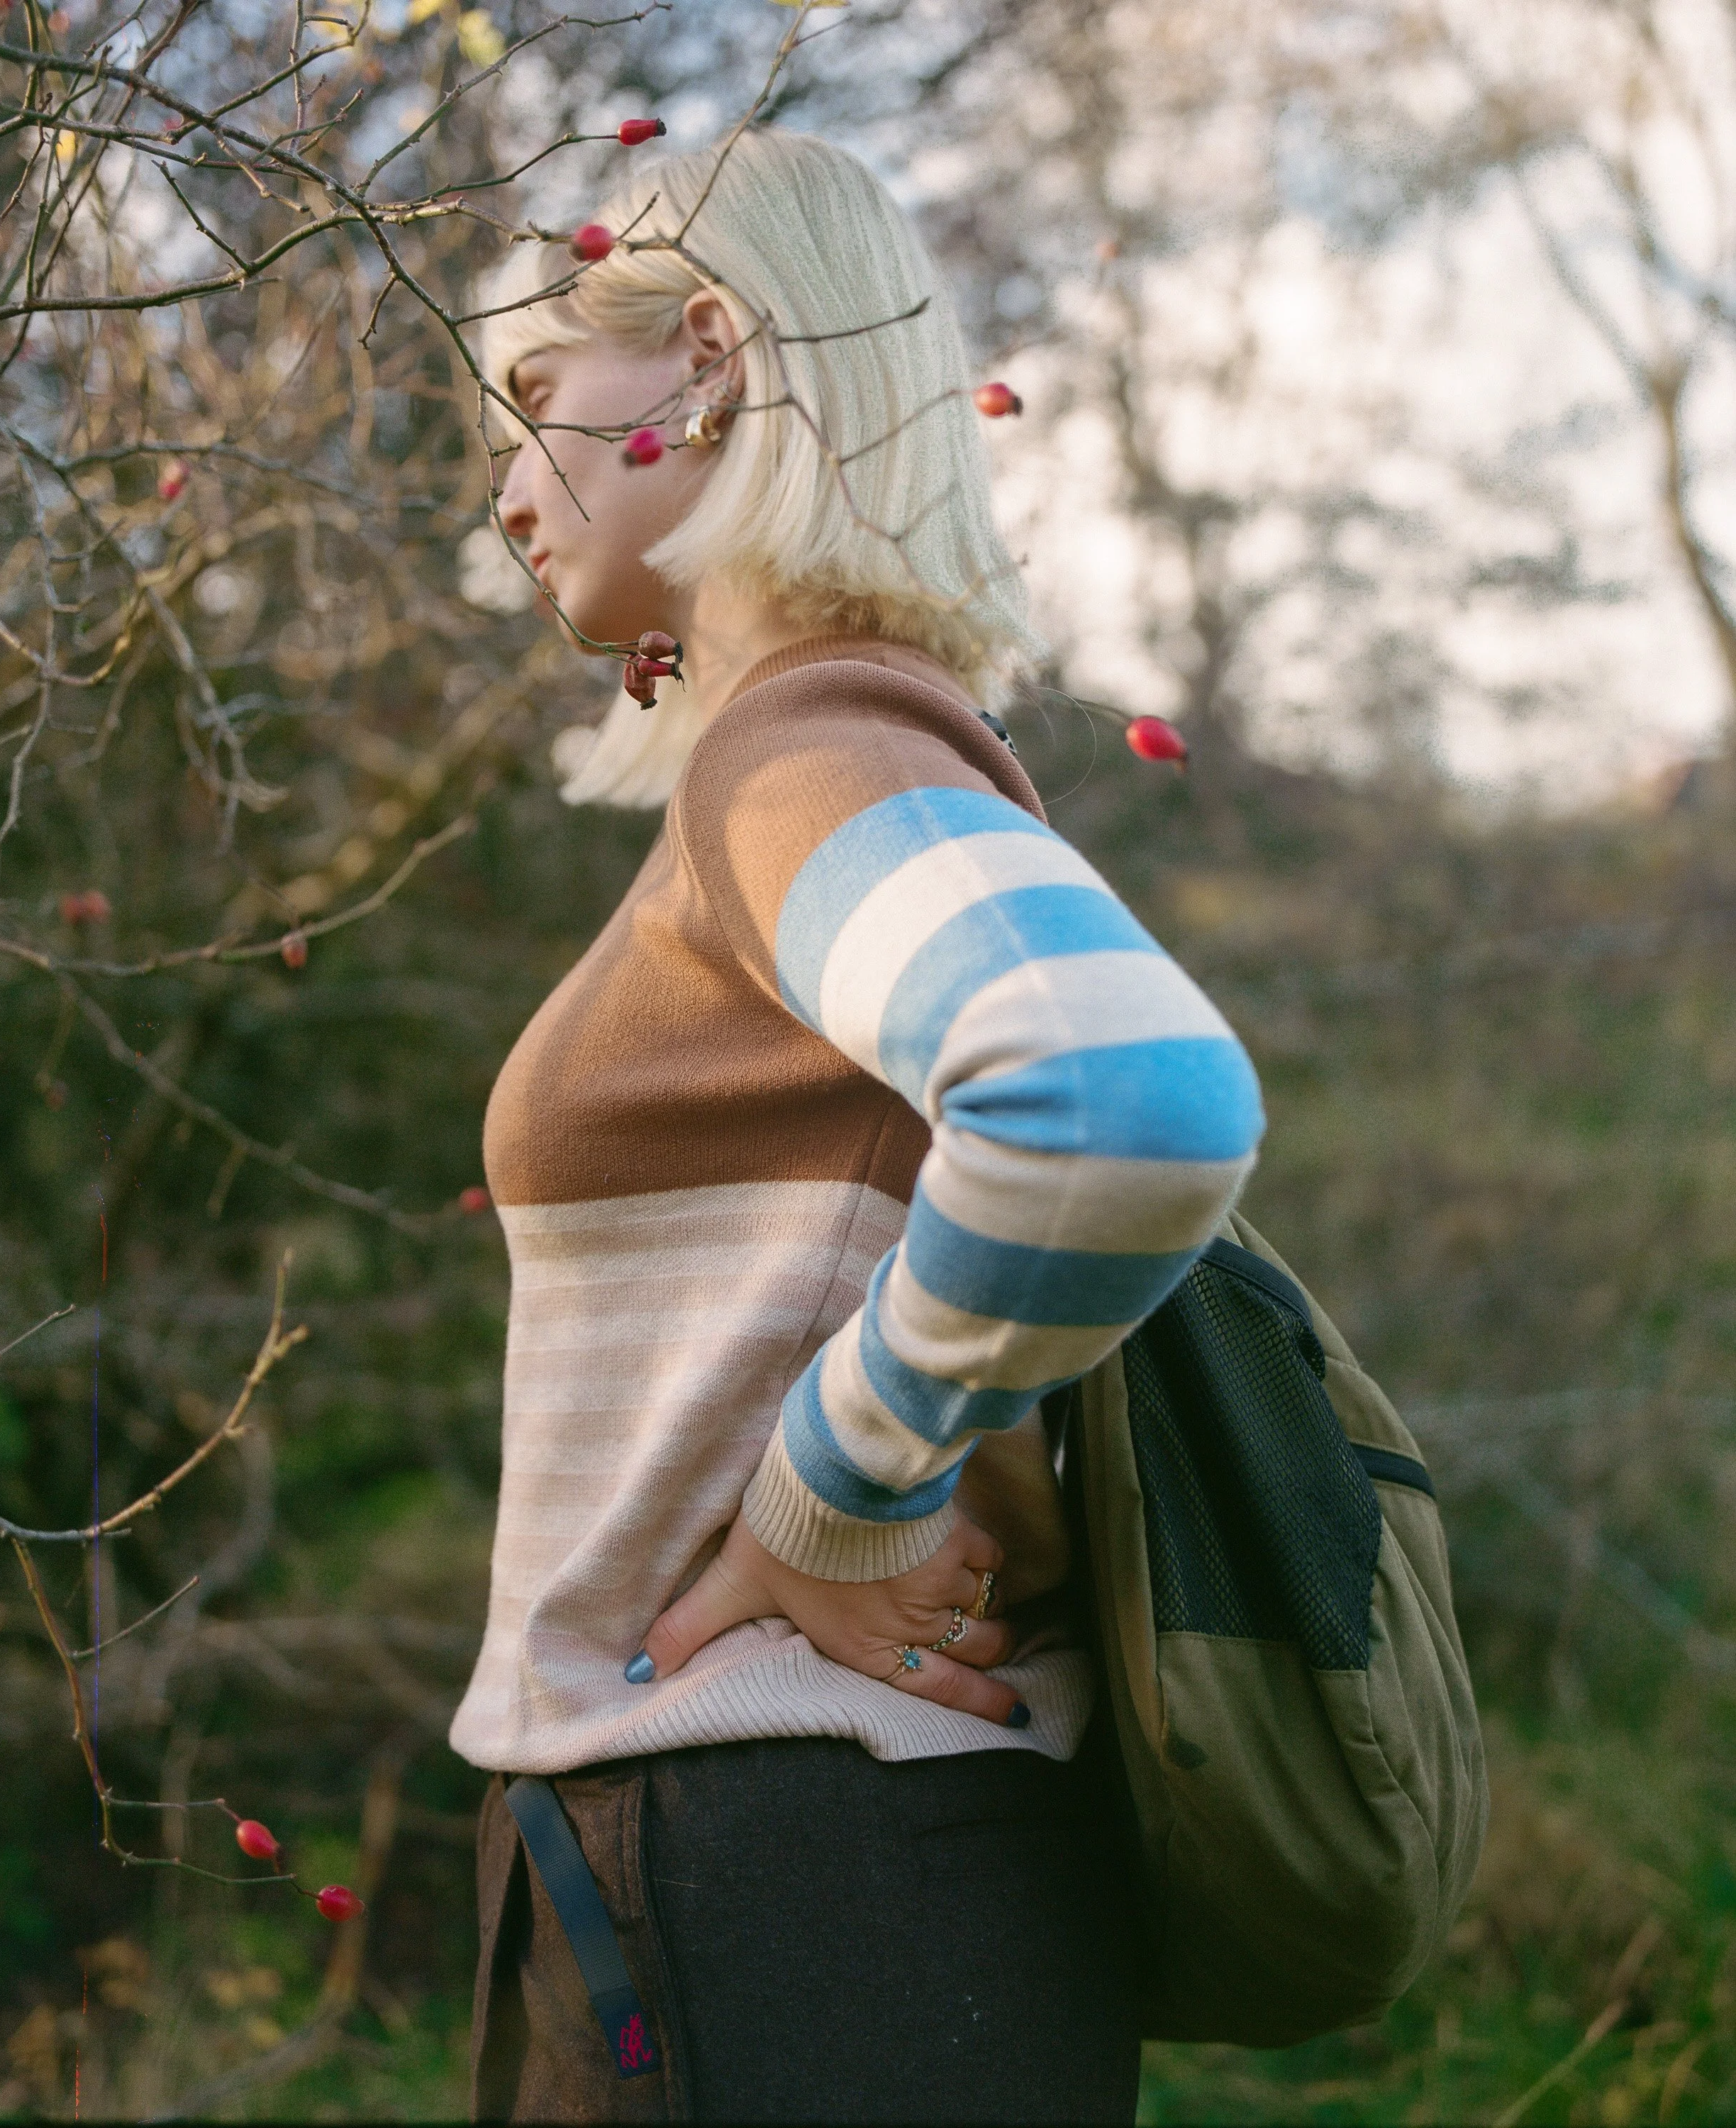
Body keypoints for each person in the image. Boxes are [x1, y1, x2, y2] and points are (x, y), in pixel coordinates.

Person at [452, 128, 1265, 2125]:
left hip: (771, 1860)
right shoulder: (829, 751)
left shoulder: (801, 747)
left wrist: (836, 1493)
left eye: (532, 406)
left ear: (709, 357)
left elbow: (1116, 1096)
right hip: (820, 1863)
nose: (498, 493)